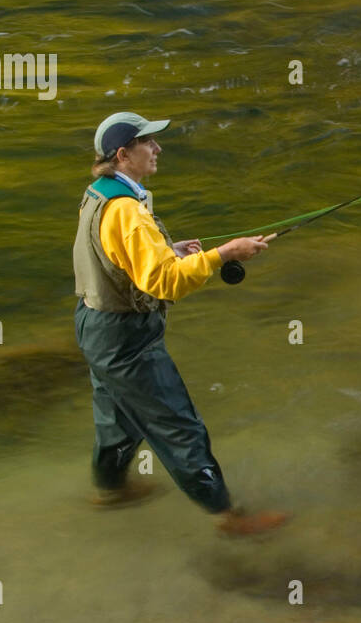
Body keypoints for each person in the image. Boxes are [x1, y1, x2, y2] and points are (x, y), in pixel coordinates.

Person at [72, 111, 290, 536]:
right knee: (179, 426)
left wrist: (168, 248)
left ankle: (110, 492)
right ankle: (229, 517)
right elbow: (165, 281)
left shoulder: (99, 193)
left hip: (93, 325)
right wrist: (224, 255)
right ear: (123, 154)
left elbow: (116, 255)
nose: (158, 148)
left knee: (118, 421)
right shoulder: (128, 212)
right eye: (148, 143)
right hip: (127, 339)